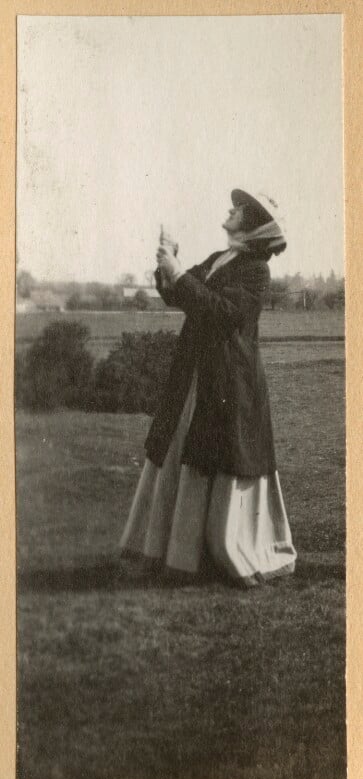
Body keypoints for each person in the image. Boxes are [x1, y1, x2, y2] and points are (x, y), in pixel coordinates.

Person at [119, 188, 297, 586]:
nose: (230, 210)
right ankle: (180, 552)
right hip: (199, 374)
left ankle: (216, 550)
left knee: (216, 454)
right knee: (186, 447)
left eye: (237, 209)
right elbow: (178, 295)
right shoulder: (220, 259)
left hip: (230, 380)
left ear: (250, 224)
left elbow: (223, 313)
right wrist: (168, 263)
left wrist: (179, 272)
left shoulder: (256, 270)